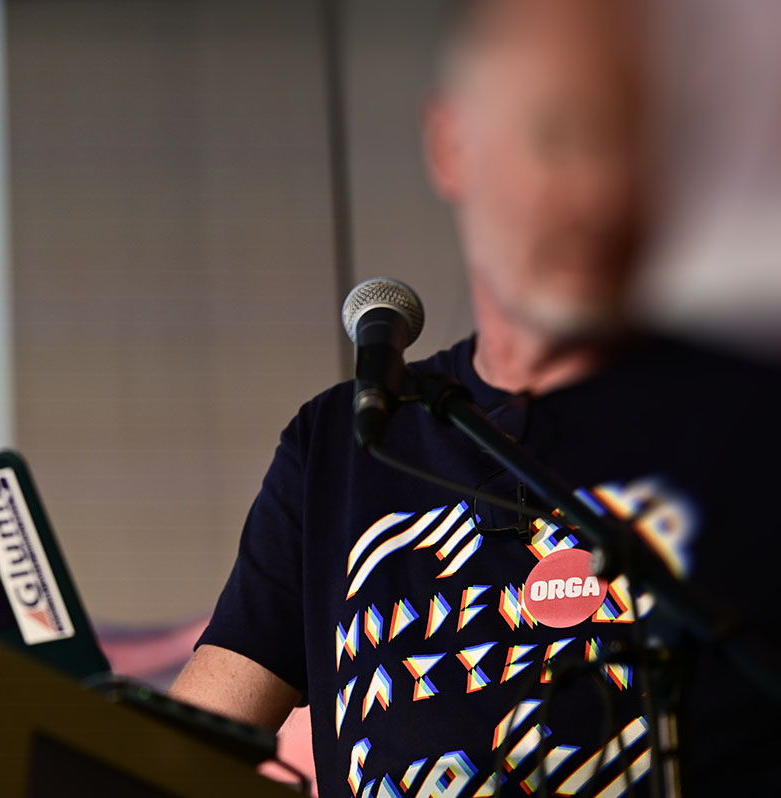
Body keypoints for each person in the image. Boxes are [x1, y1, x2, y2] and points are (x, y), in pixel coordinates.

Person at [170, 0, 781, 795]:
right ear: (452, 146)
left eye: (634, 145)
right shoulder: (346, 442)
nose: (600, 193)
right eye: (561, 135)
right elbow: (176, 752)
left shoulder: (750, 422)